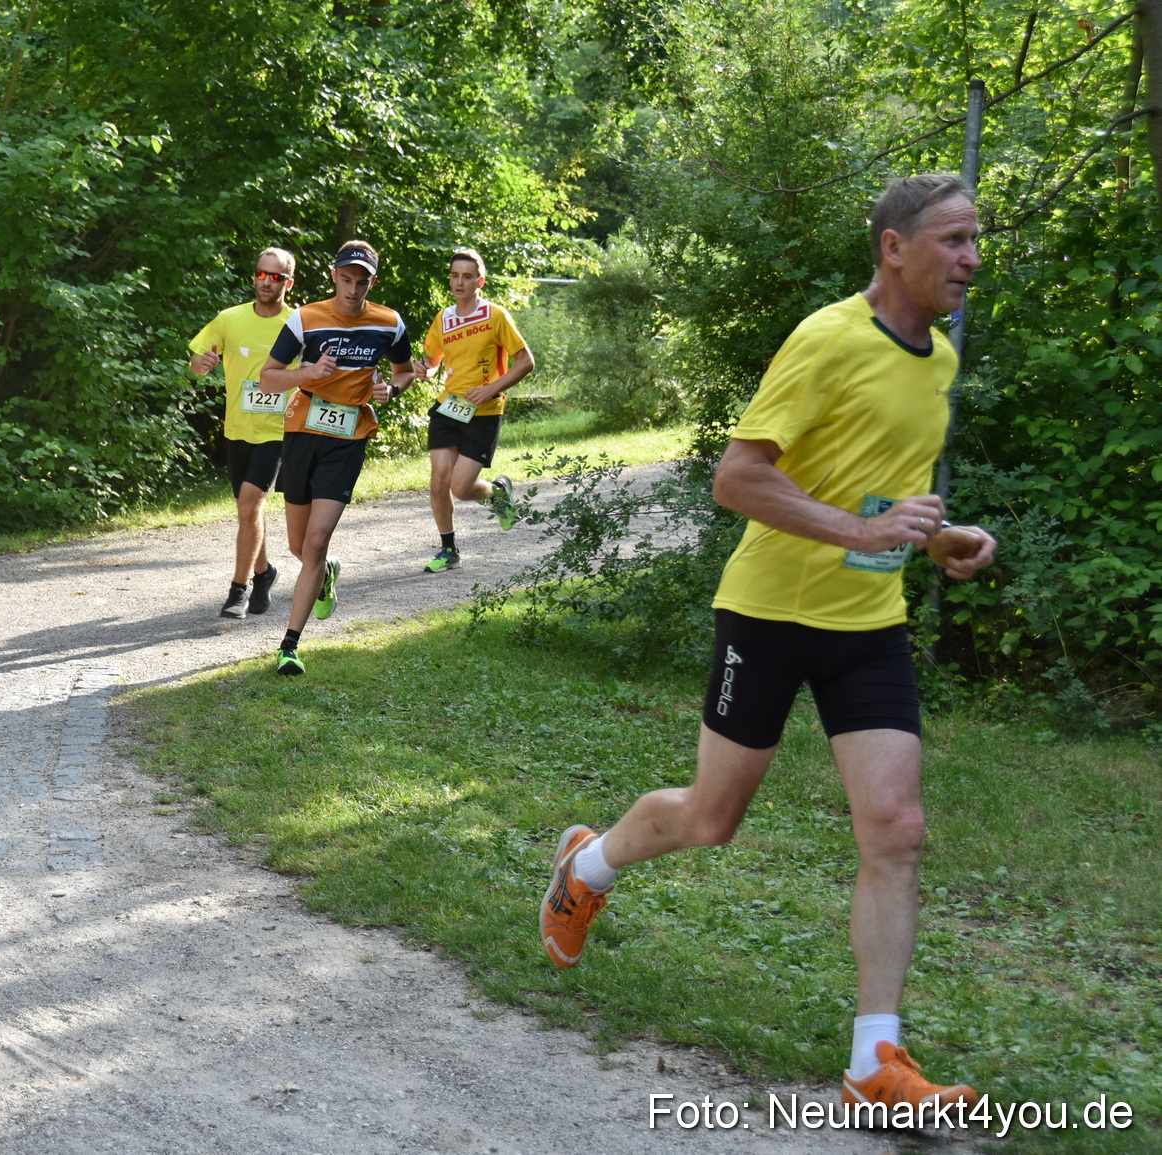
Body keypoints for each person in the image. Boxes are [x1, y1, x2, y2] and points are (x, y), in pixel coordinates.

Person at [538, 174, 998, 1111]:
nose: (971, 258)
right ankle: (586, 865)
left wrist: (936, 539)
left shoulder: (939, 359)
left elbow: (883, 495)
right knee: (714, 819)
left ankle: (877, 1062)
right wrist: (863, 533)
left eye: (975, 240)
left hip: (869, 625)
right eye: (953, 240)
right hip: (771, 615)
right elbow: (737, 480)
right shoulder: (829, 339)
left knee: (898, 828)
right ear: (893, 249)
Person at [258, 240, 417, 675]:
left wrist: (393, 390)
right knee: (298, 545)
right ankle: (325, 573)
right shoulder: (305, 318)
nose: (353, 289)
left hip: (349, 436)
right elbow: (268, 377)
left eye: (361, 282)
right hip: (303, 431)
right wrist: (307, 373)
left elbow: (404, 372)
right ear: (334, 276)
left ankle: (288, 646)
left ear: (372, 282)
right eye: (346, 280)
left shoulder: (389, 323)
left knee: (314, 542)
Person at [188, 248, 298, 618]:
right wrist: (201, 364)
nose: (267, 282)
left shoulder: (299, 324)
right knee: (249, 510)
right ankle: (265, 573)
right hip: (237, 430)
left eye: (276, 277)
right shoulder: (229, 319)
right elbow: (197, 359)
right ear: (254, 276)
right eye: (261, 274)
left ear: (288, 282)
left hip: (278, 431)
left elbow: (316, 373)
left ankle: (239, 589)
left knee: (250, 504)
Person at [416, 248, 535, 571]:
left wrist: (490, 388)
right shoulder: (444, 318)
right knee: (439, 481)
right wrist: (424, 370)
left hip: (485, 411)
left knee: (461, 487)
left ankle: (497, 492)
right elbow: (432, 361)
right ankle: (448, 549)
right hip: (448, 409)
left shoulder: (495, 316)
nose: (459, 282)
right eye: (455, 276)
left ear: (479, 281)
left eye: (467, 277)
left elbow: (526, 361)